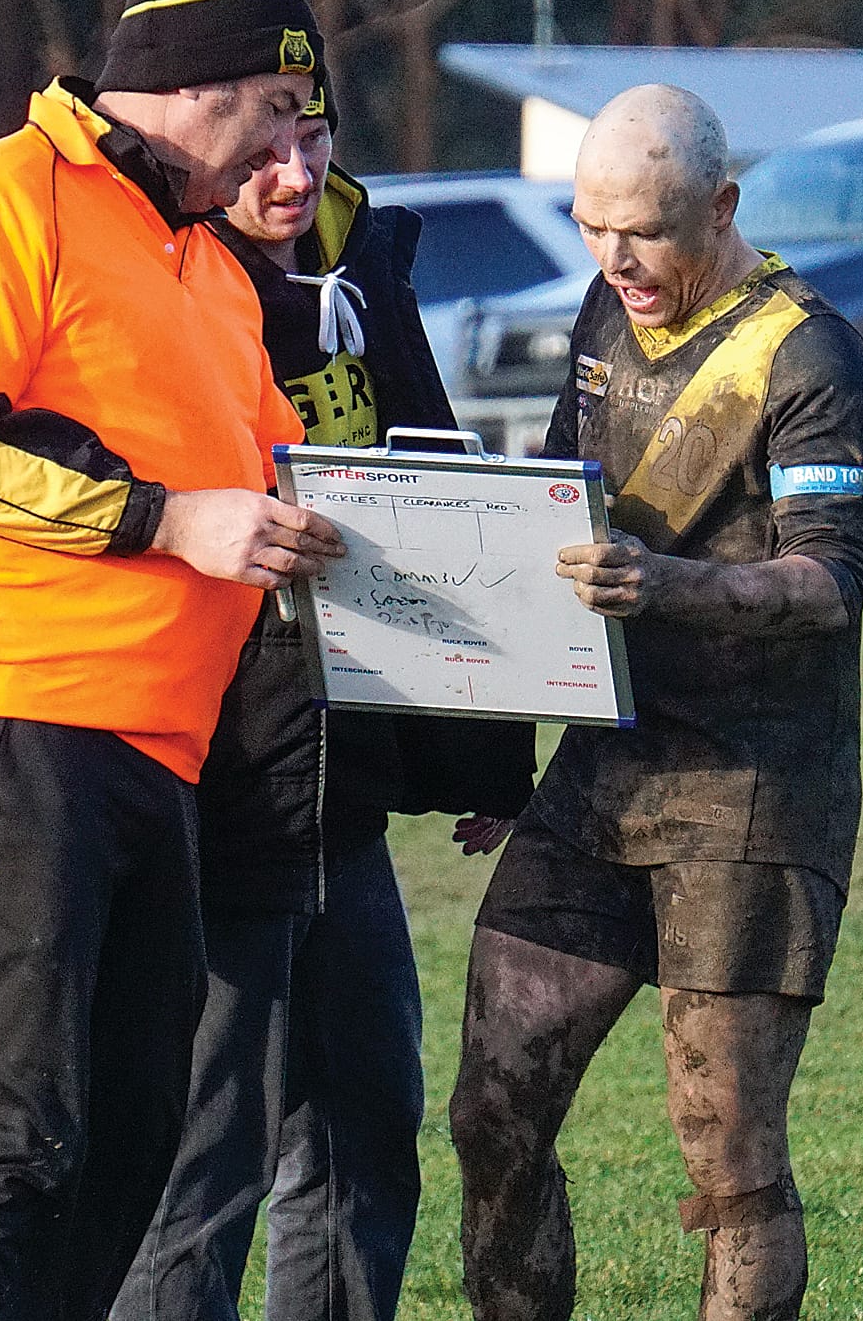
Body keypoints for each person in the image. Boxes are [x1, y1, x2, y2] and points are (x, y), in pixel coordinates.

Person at [0, 0, 347, 1321]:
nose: (289, 147)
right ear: (196, 90)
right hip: (6, 720)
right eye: (273, 108)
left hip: (160, 757)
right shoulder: (1, 194)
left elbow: (286, 473)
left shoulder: (206, 262)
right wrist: (166, 519)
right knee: (1, 1144)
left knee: (133, 1143)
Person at [448, 85, 863, 1321]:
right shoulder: (600, 307)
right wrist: (503, 751)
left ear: (722, 205)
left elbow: (829, 580)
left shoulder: (807, 351)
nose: (614, 260)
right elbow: (552, 507)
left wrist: (663, 582)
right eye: (590, 226)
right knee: (492, 1113)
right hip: (599, 773)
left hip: (749, 789)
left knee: (727, 1157)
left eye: (641, 230)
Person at [115, 83, 536, 1321]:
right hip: (210, 779)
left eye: (313, 139)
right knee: (204, 1158)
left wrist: (478, 751)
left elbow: (433, 499)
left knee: (362, 1127)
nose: (290, 173)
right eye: (258, 148)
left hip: (336, 791)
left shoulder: (372, 273)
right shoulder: (158, 282)